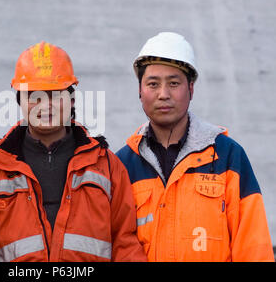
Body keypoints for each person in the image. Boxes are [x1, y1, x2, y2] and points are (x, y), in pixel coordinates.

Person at [0, 41, 146, 262]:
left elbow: (125, 245)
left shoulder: (106, 165)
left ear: (73, 100)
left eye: (55, 95)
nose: (45, 105)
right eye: (34, 96)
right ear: (19, 102)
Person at [116, 32, 274, 261]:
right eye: (153, 84)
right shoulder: (122, 165)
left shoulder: (228, 156)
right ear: (140, 90)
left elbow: (253, 245)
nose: (163, 94)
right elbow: (116, 243)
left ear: (191, 88)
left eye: (174, 83)